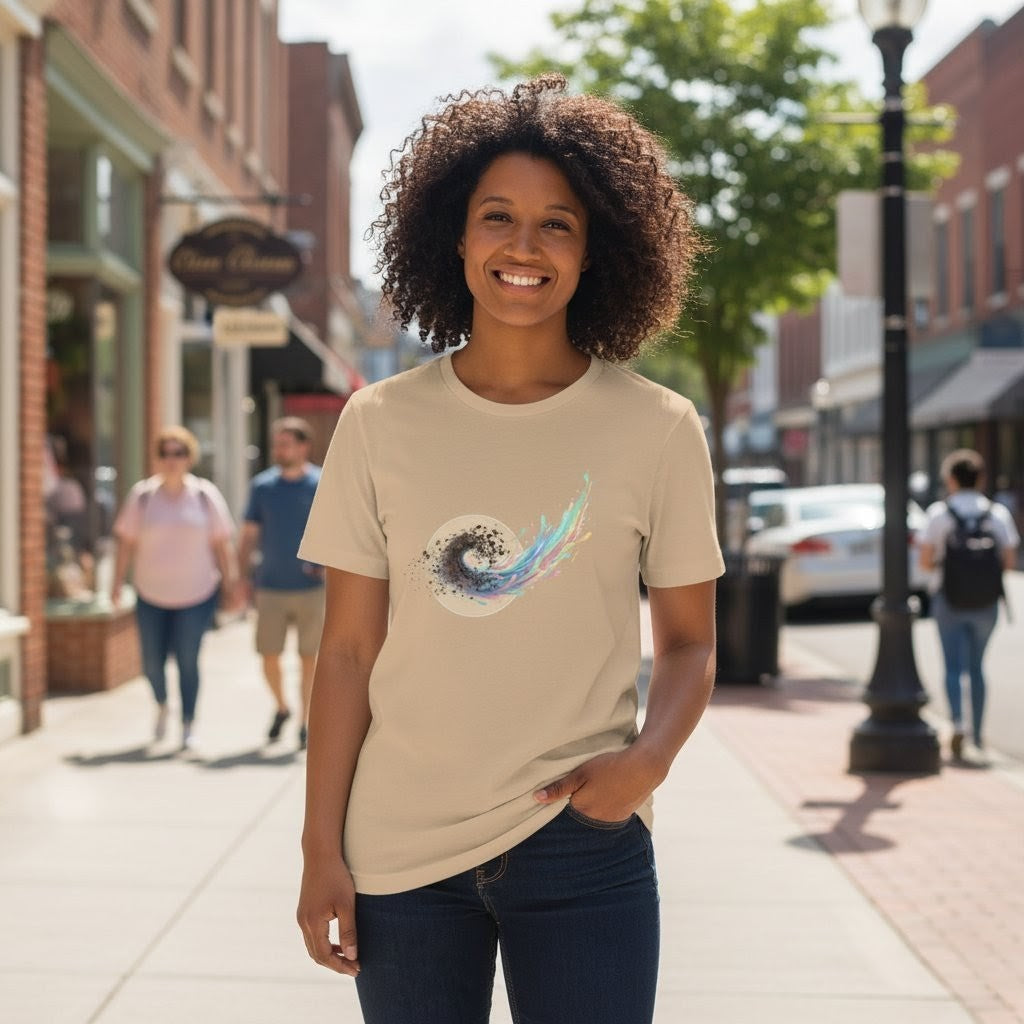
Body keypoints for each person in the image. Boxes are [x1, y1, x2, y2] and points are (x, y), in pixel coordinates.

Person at [295, 74, 724, 1024]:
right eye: (498, 217)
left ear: (593, 249)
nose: (523, 247)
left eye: (556, 224)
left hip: (583, 843)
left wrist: (645, 764)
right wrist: (321, 847)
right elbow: (349, 652)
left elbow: (691, 642)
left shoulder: (657, 427)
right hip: (401, 850)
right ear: (455, 235)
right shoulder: (377, 422)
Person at [111, 427, 238, 750]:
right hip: (149, 593)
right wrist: (115, 584)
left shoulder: (204, 495)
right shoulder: (142, 496)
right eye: (165, 453)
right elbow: (125, 544)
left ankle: (188, 723)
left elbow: (222, 545)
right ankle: (162, 704)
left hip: (197, 594)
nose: (172, 460)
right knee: (151, 663)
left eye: (178, 453)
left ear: (189, 457)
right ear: (157, 457)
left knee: (187, 659)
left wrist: (231, 584)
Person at [919, 448, 1018, 761]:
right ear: (980, 478)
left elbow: (925, 561)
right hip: (986, 602)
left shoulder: (939, 514)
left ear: (951, 480)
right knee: (977, 667)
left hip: (948, 599)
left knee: (953, 667)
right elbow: (1008, 560)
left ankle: (957, 722)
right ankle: (977, 734)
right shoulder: (996, 514)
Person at [237, 417, 324, 748]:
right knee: (268, 656)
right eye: (277, 444)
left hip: (312, 589)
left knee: (309, 658)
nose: (280, 450)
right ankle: (282, 707)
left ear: (304, 446)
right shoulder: (262, 486)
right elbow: (248, 535)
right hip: (270, 586)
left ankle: (305, 722)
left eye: (287, 444)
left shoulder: (322, 483)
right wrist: (241, 578)